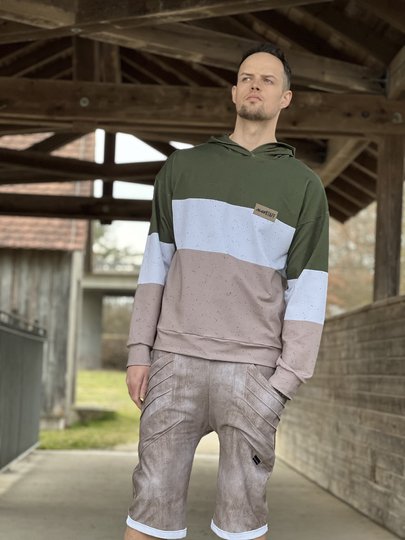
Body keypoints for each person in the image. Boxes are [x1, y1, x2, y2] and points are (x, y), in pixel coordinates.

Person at [124, 42, 329, 540]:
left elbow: (308, 288)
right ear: (233, 91)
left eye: (268, 80)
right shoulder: (182, 168)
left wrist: (286, 380)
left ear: (285, 98)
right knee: (147, 513)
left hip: (254, 373)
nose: (255, 85)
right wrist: (139, 351)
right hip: (174, 361)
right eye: (246, 78)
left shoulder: (303, 187)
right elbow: (155, 264)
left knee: (242, 525)